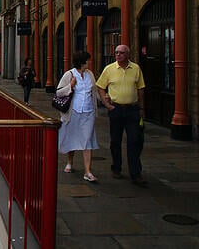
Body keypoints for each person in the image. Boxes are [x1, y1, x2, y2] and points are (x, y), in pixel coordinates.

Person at [96, 44, 147, 186]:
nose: (118, 55)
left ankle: (135, 172)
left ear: (128, 55)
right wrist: (106, 103)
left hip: (132, 109)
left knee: (134, 140)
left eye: (121, 53)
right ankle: (116, 167)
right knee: (115, 141)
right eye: (116, 52)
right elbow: (100, 86)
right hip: (116, 109)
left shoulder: (136, 69)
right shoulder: (110, 69)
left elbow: (140, 89)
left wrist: (142, 108)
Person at [57, 51, 100, 182]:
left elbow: (94, 91)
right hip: (73, 112)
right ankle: (70, 162)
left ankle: (87, 171)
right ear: (82, 62)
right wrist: (70, 85)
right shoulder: (69, 74)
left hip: (88, 112)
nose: (90, 62)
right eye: (88, 60)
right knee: (72, 138)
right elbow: (59, 92)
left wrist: (105, 100)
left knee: (87, 140)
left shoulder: (90, 74)